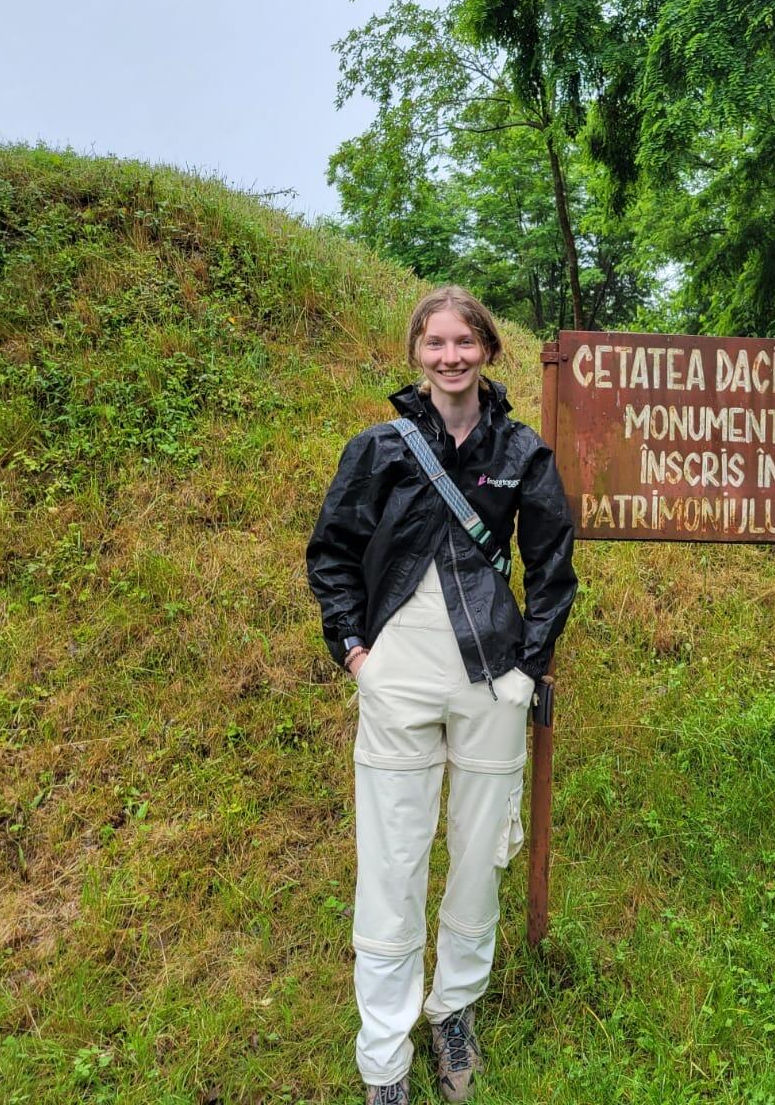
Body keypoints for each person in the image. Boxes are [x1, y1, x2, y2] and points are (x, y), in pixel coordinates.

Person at [306, 286, 577, 1103]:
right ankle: (383, 1058)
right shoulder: (379, 449)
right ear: (416, 353)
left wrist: (528, 668)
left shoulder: (522, 450)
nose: (451, 357)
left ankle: (453, 1010)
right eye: (435, 343)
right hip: (396, 674)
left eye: (465, 342)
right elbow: (333, 553)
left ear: (489, 351)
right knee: (390, 863)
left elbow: (554, 568)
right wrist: (356, 653)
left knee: (474, 865)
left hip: (493, 679)